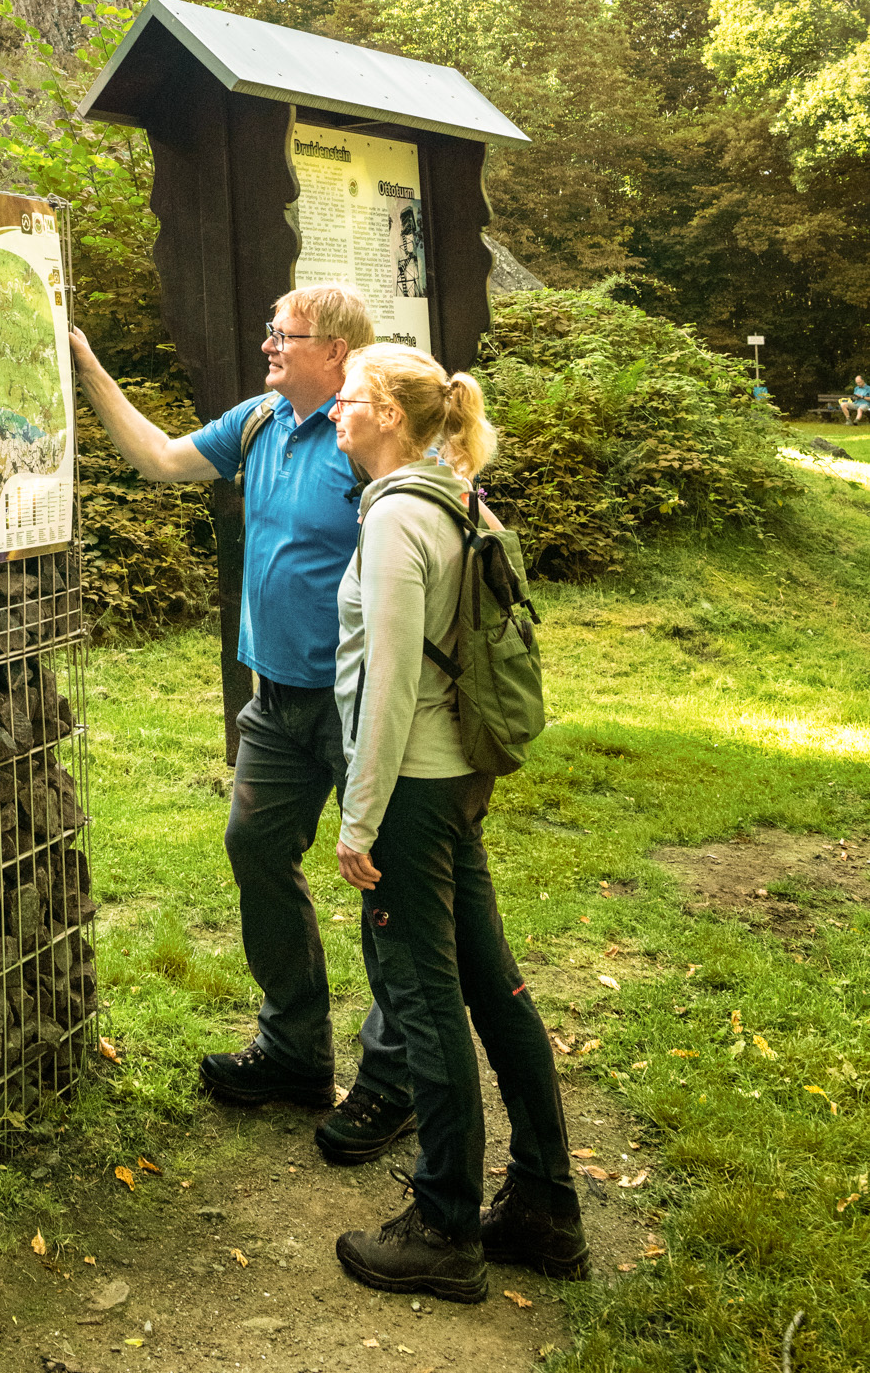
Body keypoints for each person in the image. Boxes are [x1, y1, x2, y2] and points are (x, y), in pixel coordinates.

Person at [69, 287, 415, 1159]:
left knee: (390, 889)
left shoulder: (370, 432)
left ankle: (391, 1080)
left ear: (334, 351)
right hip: (275, 703)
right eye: (268, 329)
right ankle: (294, 1051)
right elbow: (160, 459)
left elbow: (448, 529)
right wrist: (87, 366)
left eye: (283, 335)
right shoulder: (261, 420)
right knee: (256, 852)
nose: (266, 344)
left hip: (361, 706)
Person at [328, 344, 586, 1303]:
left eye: (350, 400)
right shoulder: (455, 495)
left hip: (410, 792)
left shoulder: (397, 515)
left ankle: (443, 1225)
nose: (338, 414)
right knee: (492, 984)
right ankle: (545, 1208)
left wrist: (358, 821)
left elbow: (389, 680)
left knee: (425, 1001)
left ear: (391, 414)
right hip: (457, 780)